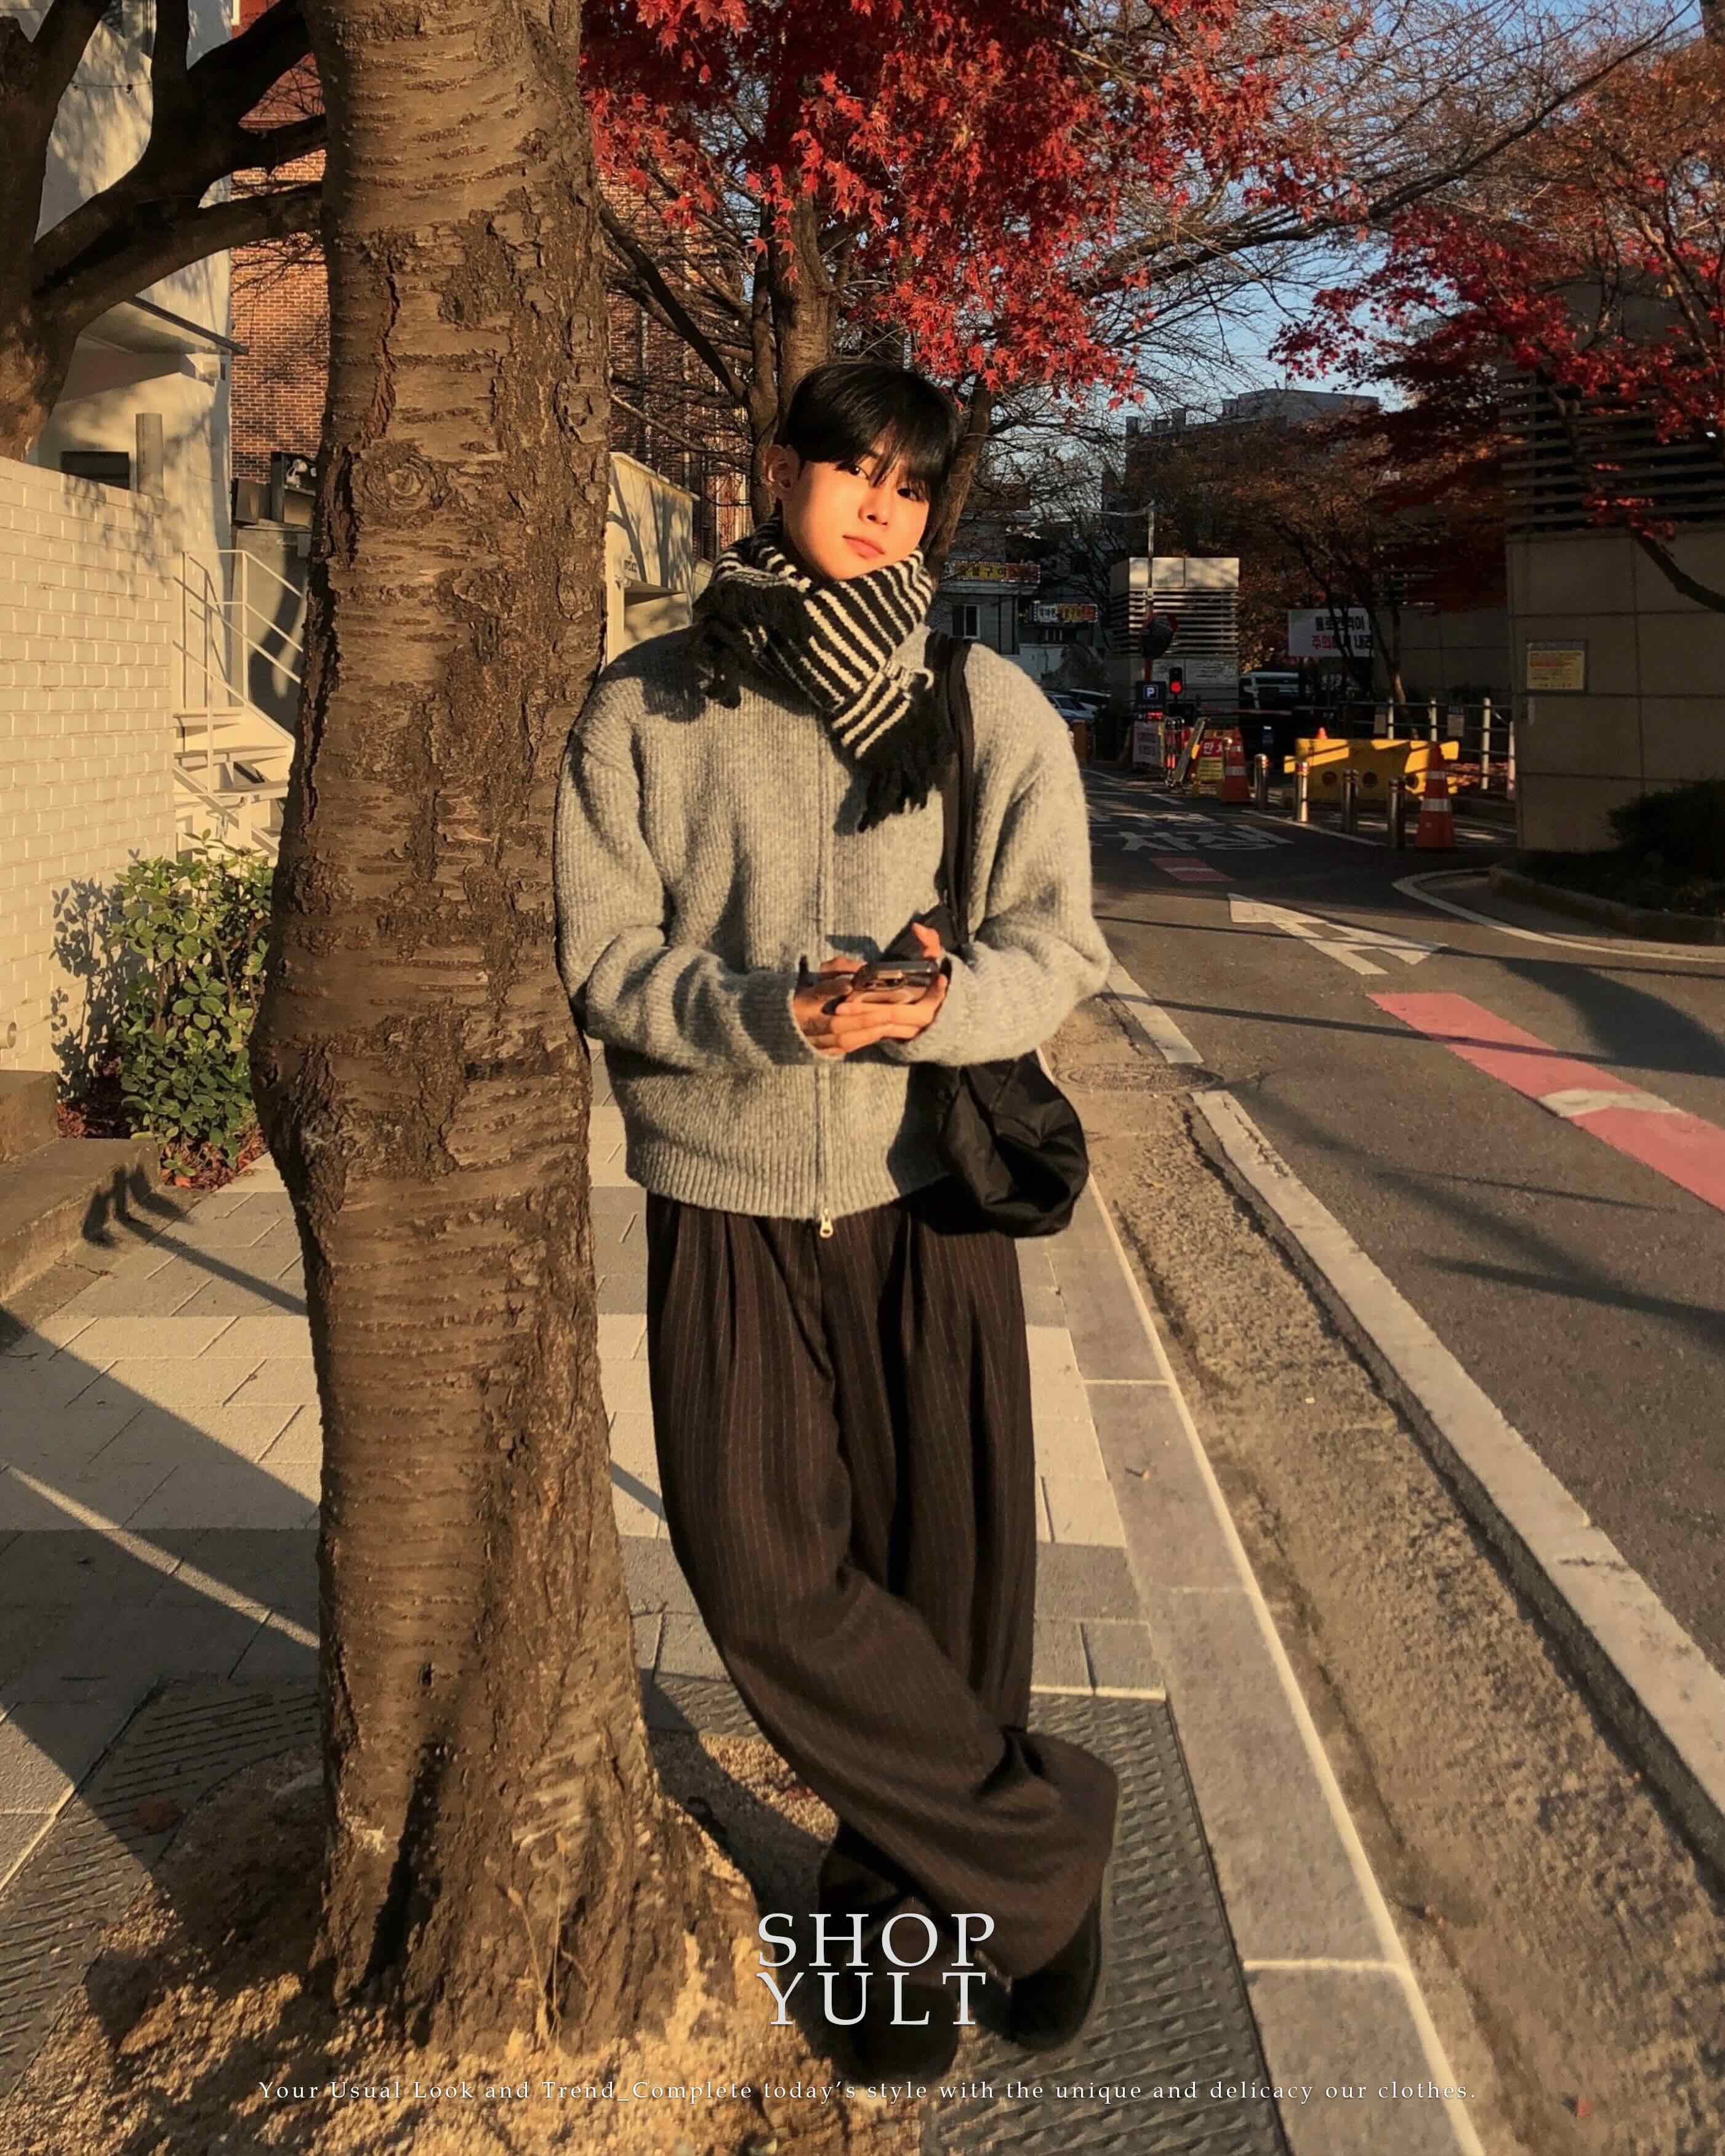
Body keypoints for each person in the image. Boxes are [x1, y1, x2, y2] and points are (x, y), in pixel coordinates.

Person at [553, 360, 1119, 2075]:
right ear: (775, 467)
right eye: (851, 468)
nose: (879, 505)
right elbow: (602, 957)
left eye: (911, 483)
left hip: (923, 1194)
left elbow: (1055, 942)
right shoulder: (645, 703)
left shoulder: (981, 699)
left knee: (952, 1587)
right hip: (720, 1196)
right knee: (762, 1577)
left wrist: (937, 1004)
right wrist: (769, 1016)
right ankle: (1044, 1861)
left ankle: (901, 1940)